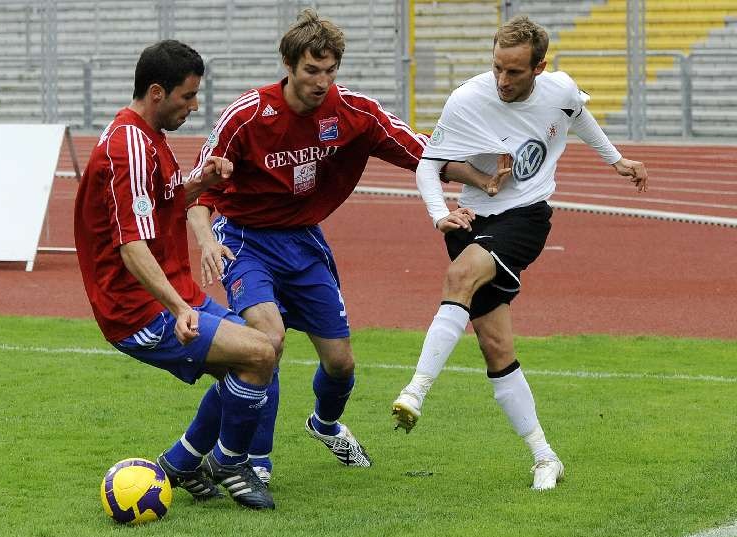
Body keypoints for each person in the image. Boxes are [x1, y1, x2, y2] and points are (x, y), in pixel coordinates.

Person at [183, 9, 484, 483]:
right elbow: (199, 189)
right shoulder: (247, 116)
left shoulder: (354, 113)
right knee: (266, 343)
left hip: (303, 243)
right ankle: (254, 463)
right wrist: (205, 240)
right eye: (311, 70)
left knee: (341, 364)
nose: (322, 81)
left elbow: (422, 152)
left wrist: (482, 178)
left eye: (330, 70)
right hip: (244, 241)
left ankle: (324, 425)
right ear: (288, 65)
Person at [392, 15, 648, 491]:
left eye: (514, 71)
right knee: (496, 347)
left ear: (539, 68)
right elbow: (429, 165)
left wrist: (616, 160)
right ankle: (545, 456)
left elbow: (577, 113)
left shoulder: (559, 89)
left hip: (526, 216)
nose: (503, 80)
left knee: (460, 276)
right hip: (470, 219)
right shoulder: (467, 99)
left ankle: (415, 391)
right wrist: (439, 214)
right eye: (497, 68)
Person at [74, 40, 277, 510]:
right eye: (188, 96)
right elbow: (131, 246)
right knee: (258, 355)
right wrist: (179, 307)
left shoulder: (148, 137)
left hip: (171, 291)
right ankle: (230, 462)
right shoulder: (128, 146)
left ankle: (182, 462)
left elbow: (163, 204)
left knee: (266, 348)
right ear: (157, 92)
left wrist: (202, 182)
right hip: (138, 310)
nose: (195, 105)